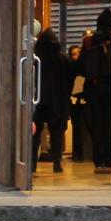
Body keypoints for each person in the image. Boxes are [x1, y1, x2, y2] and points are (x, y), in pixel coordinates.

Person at [80, 9, 111, 172]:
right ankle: (109, 162)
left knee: (96, 125)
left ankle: (98, 161)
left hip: (93, 87)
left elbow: (80, 65)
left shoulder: (88, 41)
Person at [31, 30, 73, 172]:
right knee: (56, 132)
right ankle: (57, 163)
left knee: (35, 132)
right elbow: (70, 80)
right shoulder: (63, 59)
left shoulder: (36, 59)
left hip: (38, 99)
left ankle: (32, 165)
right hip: (58, 100)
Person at [66, 42, 88, 163]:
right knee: (77, 127)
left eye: (79, 52)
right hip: (74, 101)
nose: (77, 55)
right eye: (74, 54)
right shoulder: (70, 68)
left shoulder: (87, 66)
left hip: (85, 99)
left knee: (90, 126)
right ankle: (77, 154)